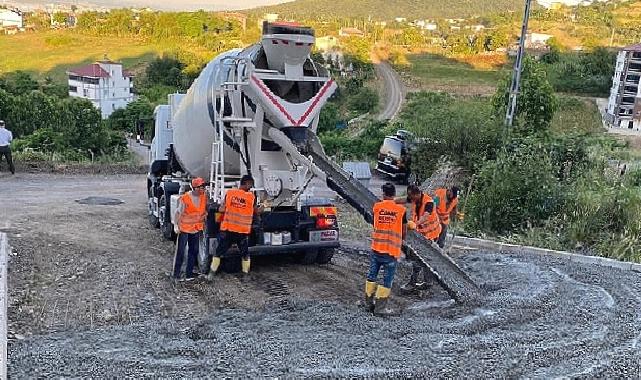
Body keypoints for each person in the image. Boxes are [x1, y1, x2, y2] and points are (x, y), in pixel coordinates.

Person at [365, 182, 407, 317]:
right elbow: (404, 230)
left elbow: (375, 223)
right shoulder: (401, 210)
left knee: (371, 276)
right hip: (391, 251)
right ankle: (380, 308)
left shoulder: (377, 207)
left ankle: (368, 304)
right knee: (386, 280)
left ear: (383, 194)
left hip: (377, 248)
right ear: (394, 194)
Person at [210, 175, 259, 277]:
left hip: (228, 230)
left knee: (218, 253)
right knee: (245, 254)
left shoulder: (230, 193)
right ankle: (245, 275)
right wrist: (265, 205)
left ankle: (211, 273)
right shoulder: (251, 197)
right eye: (251, 184)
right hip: (242, 232)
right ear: (247, 183)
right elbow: (256, 211)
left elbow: (222, 209)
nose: (251, 187)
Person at [398, 185, 442, 293]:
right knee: (419, 258)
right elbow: (403, 199)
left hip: (431, 235)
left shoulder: (429, 202)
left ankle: (423, 283)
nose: (410, 199)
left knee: (424, 259)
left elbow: (426, 216)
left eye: (411, 196)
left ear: (417, 194)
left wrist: (415, 224)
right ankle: (422, 282)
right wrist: (390, 202)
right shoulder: (414, 198)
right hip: (421, 234)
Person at [172, 177, 208, 281]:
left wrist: (205, 214)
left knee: (194, 251)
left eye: (204, 186)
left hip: (196, 228)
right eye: (202, 187)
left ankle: (189, 274)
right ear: (195, 188)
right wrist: (175, 225)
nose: (204, 189)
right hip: (184, 229)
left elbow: (202, 210)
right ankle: (176, 275)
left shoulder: (203, 196)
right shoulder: (185, 198)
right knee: (181, 252)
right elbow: (178, 213)